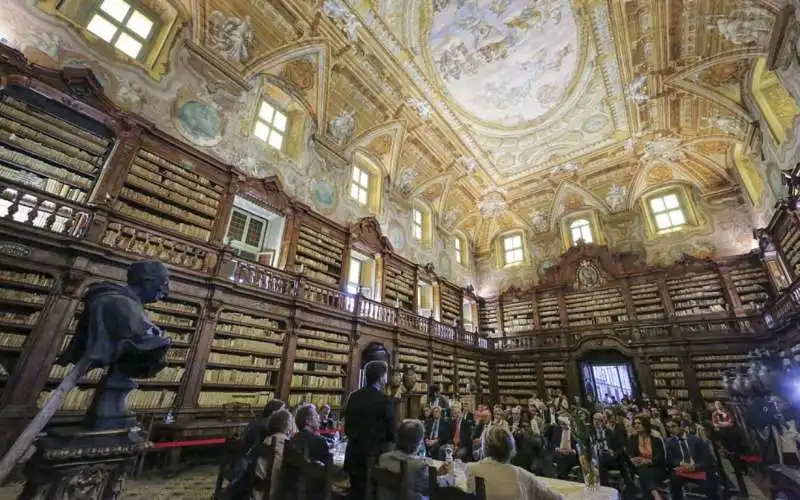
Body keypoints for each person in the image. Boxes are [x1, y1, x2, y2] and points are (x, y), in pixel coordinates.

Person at [58, 259, 172, 429]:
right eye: (164, 284)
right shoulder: (117, 303)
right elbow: (144, 339)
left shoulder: (130, 305)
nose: (166, 292)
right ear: (147, 281)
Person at [344, 361, 396, 500]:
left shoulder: (353, 396)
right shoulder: (385, 400)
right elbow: (392, 433)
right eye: (385, 376)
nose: (386, 379)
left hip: (353, 456)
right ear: (380, 378)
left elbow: (348, 428)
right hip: (373, 460)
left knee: (355, 492)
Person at [466, 426, 564, 500]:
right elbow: (556, 497)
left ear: (484, 447)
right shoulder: (523, 476)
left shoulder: (471, 470)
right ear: (511, 448)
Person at [377, 419, 454, 500]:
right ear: (418, 443)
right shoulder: (418, 466)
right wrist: (449, 475)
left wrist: (435, 474)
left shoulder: (383, 458)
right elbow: (435, 487)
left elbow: (421, 481)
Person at [665, 418, 719, 500]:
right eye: (668, 428)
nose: (671, 430)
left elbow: (706, 459)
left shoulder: (695, 440)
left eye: (673, 426)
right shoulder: (670, 442)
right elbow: (670, 459)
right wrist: (681, 464)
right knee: (674, 479)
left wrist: (695, 466)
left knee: (708, 486)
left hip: (698, 468)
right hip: (683, 469)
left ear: (680, 427)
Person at [251, 409, 293, 500]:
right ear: (287, 424)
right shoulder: (283, 441)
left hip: (257, 490)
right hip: (271, 492)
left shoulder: (267, 439)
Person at [628, 414, 666, 500]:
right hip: (639, 467)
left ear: (645, 425)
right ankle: (656, 495)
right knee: (642, 469)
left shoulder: (656, 440)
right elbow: (630, 454)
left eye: (639, 423)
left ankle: (654, 495)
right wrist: (634, 459)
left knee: (644, 475)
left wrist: (649, 461)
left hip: (655, 467)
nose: (636, 425)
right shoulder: (633, 439)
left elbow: (661, 457)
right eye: (635, 424)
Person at [594, 412, 629, 487]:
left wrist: (613, 453)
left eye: (600, 420)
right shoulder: (591, 433)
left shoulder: (610, 433)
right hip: (595, 457)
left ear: (604, 421)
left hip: (610, 458)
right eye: (595, 419)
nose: (597, 422)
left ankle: (605, 488)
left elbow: (621, 449)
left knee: (602, 458)